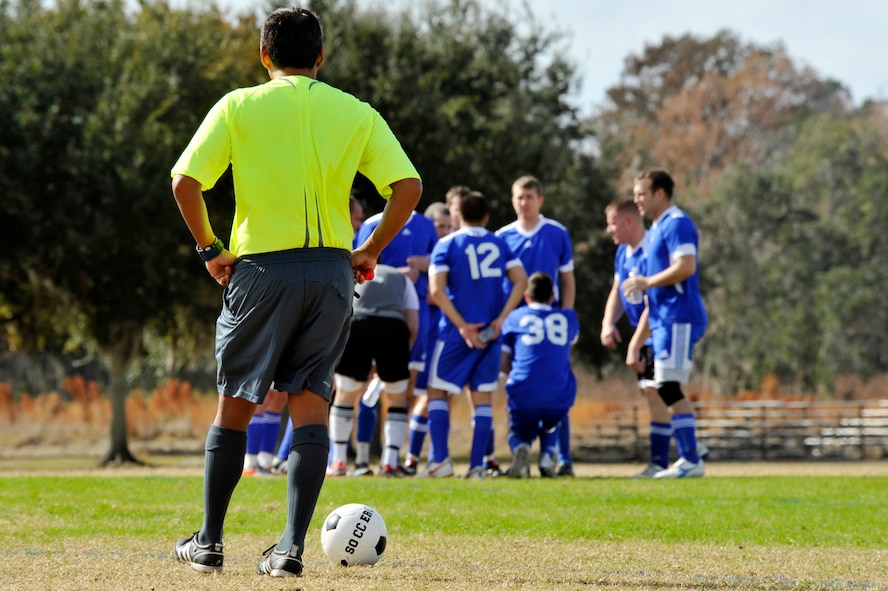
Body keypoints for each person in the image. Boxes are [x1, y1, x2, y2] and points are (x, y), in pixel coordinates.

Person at [170, 7, 421, 578]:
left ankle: (209, 541)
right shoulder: (355, 111)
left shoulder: (238, 105)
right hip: (333, 273)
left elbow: (185, 182)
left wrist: (211, 249)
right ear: (321, 57)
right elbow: (407, 185)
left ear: (264, 55)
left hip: (260, 272)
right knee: (311, 405)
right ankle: (289, 550)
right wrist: (371, 249)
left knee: (235, 404)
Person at [419, 191, 527, 479]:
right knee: (482, 399)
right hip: (491, 333)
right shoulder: (499, 242)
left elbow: (436, 291)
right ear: (486, 217)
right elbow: (522, 281)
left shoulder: (446, 244)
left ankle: (440, 461)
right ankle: (477, 466)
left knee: (437, 392)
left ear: (457, 216)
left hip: (456, 334)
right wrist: (502, 318)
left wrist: (463, 326)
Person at [623, 170, 707, 479]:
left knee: (669, 385)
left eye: (642, 193)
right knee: (665, 385)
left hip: (679, 316)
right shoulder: (657, 228)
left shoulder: (676, 224)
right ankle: (691, 454)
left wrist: (647, 281)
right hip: (663, 319)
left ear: (660, 194)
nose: (637, 200)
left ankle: (691, 457)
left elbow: (686, 266)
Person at [495, 175, 576, 477]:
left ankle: (562, 459)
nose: (523, 203)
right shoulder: (501, 237)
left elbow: (567, 279)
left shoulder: (557, 233)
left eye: (529, 197)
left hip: (548, 324)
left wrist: (566, 315)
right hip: (514, 326)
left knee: (554, 382)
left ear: (540, 200)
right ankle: (532, 454)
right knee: (524, 388)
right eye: (519, 197)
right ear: (512, 200)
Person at [351, 201, 438, 475]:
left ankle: (392, 458)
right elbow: (360, 268)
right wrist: (398, 276)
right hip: (375, 313)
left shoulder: (426, 225)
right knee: (365, 386)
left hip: (413, 313)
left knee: (404, 387)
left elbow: (443, 264)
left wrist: (428, 264)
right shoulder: (371, 223)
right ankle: (362, 457)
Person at [327, 264, 419, 477]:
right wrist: (400, 354)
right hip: (392, 328)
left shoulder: (350, 271)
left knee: (345, 394)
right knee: (396, 397)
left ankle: (338, 462)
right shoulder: (400, 277)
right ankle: (390, 463)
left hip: (358, 324)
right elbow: (413, 324)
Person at [501, 272, 579, 478]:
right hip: (557, 392)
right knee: (552, 421)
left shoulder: (515, 318)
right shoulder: (567, 317)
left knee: (517, 432)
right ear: (553, 296)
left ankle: (521, 448)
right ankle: (546, 455)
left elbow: (503, 361)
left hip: (524, 391)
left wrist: (511, 378)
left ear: (526, 296)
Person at [405, 201, 455, 473]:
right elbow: (429, 296)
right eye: (440, 226)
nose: (445, 232)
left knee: (438, 395)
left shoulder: (445, 254)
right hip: (424, 328)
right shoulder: (419, 250)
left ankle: (433, 456)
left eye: (449, 227)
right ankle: (411, 456)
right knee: (418, 393)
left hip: (445, 331)